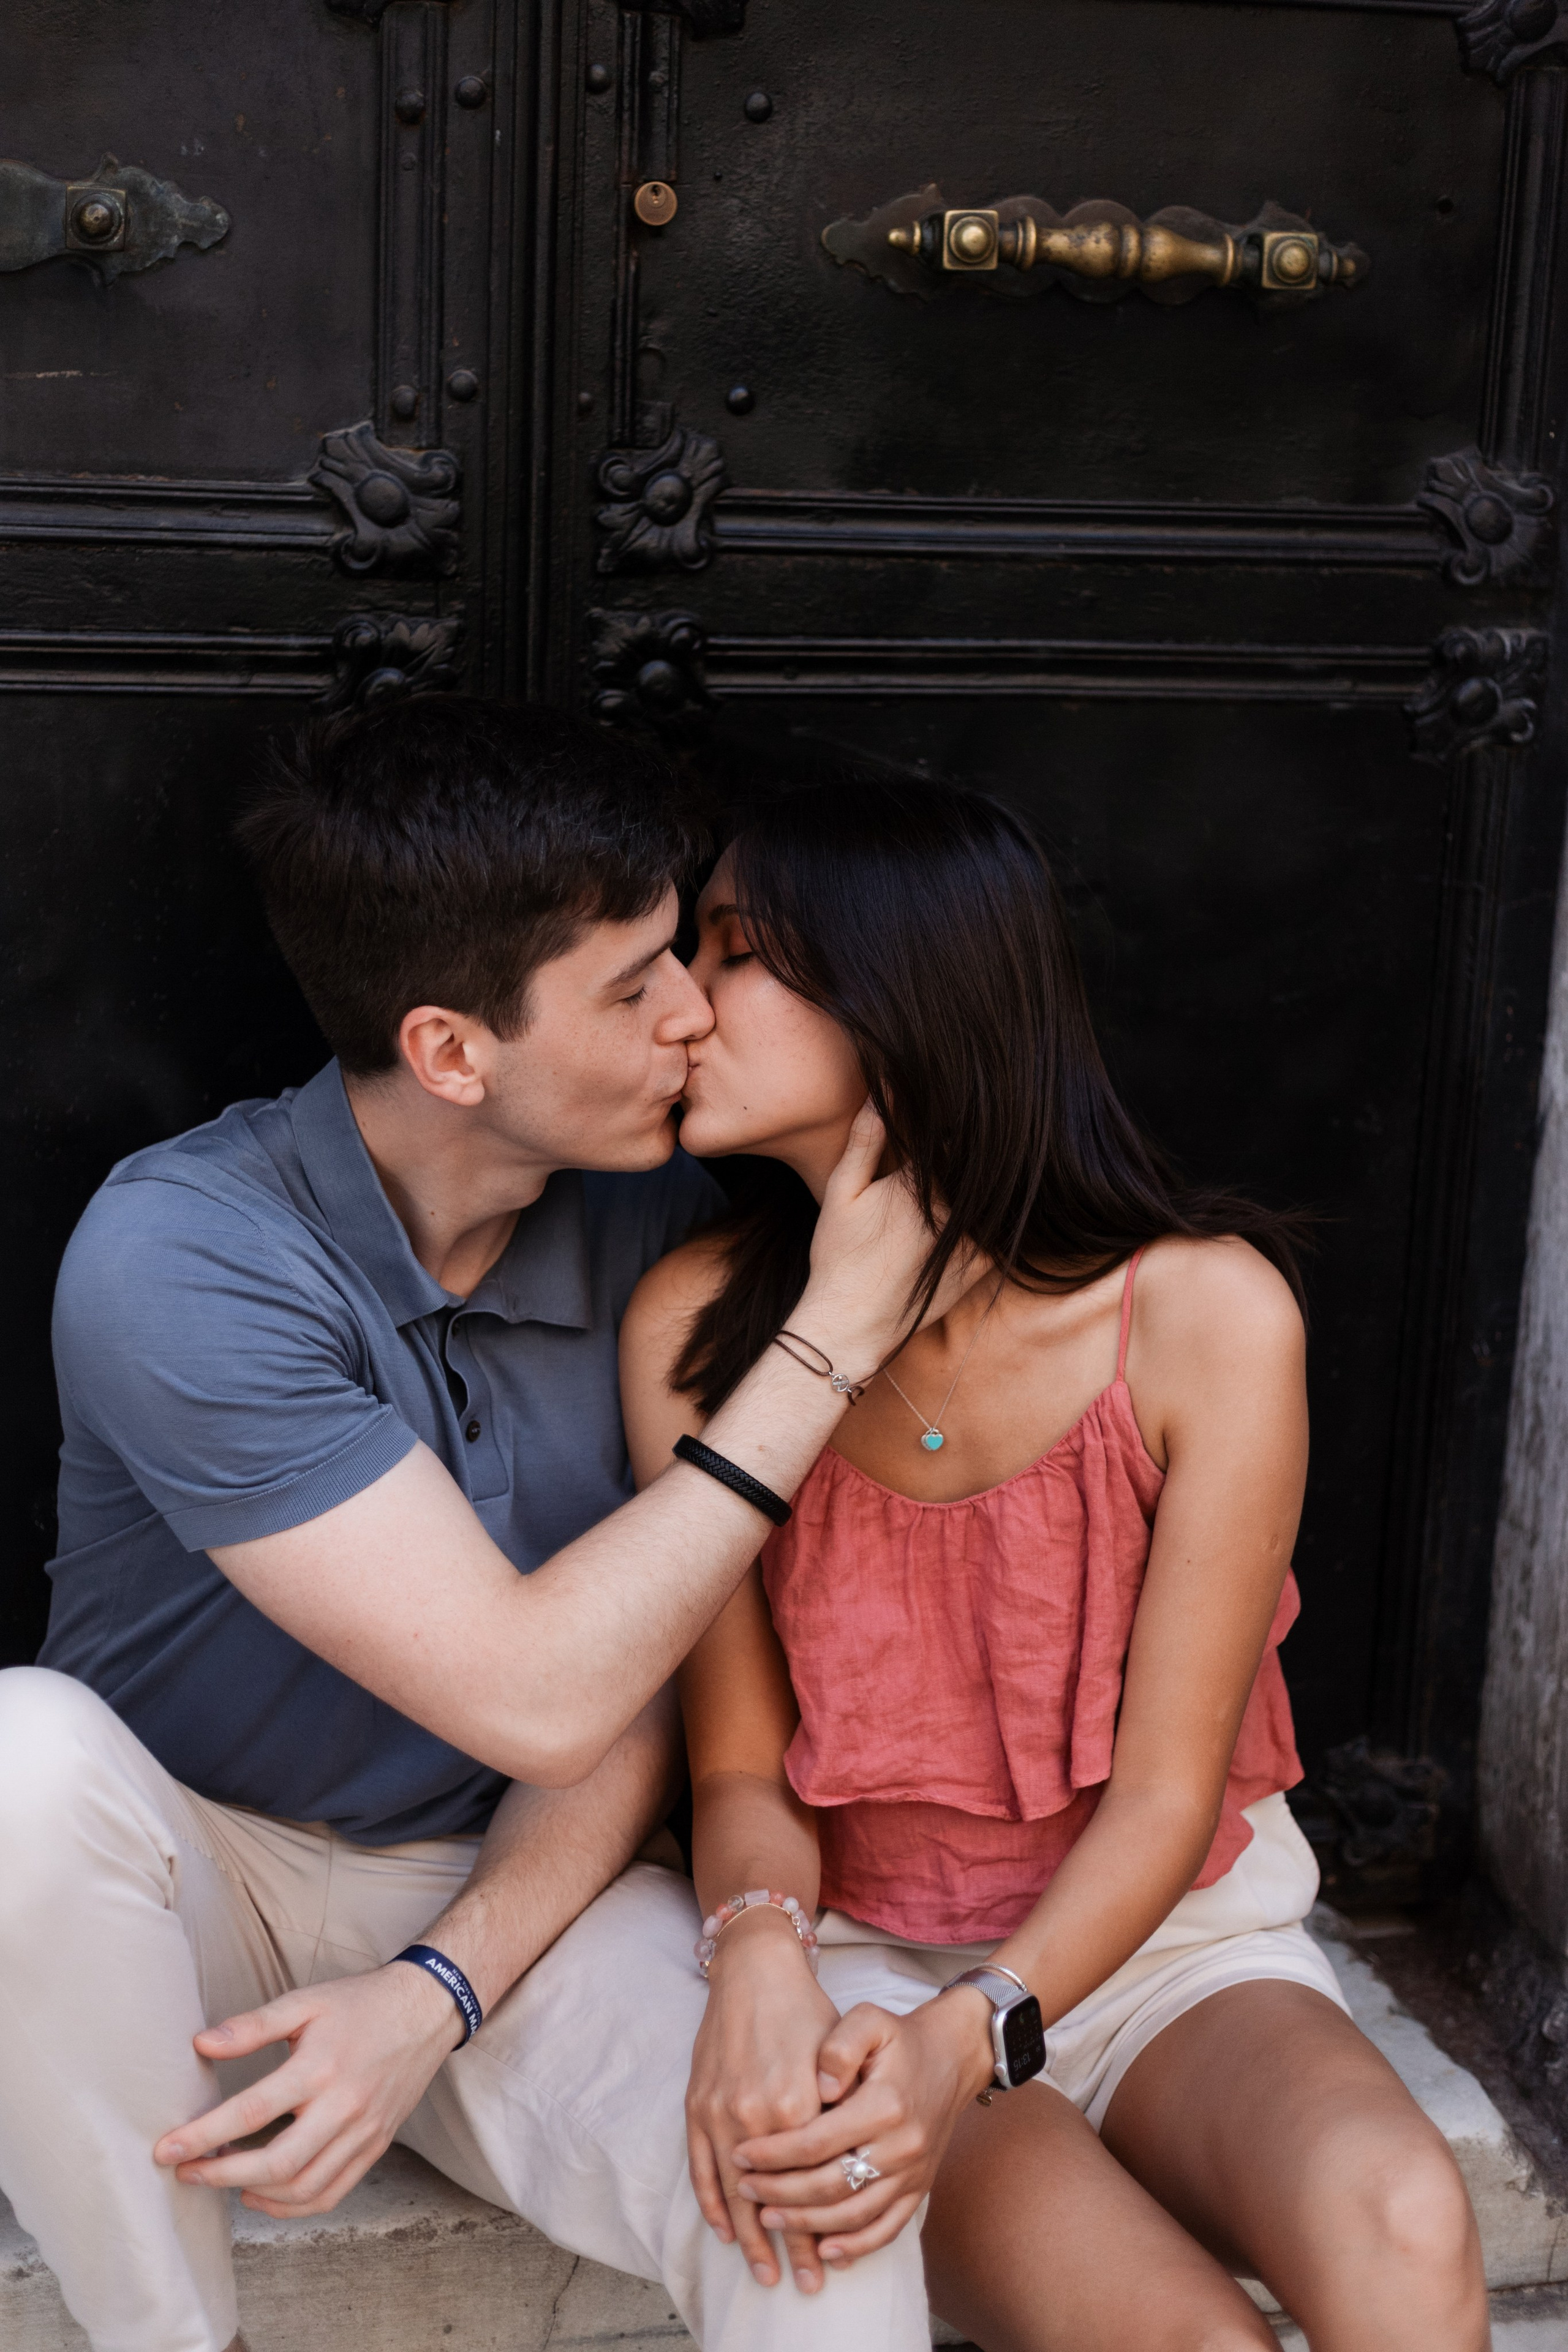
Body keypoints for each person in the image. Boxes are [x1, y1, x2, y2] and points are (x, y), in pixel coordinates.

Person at [0, 701, 946, 2352]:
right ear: (451, 1051)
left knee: (800, 2160)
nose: (694, 1017)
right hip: (189, 1883)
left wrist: (437, 1992)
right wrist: (825, 1347)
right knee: (15, 1766)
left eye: (691, 958)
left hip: (537, 1887)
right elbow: (534, 1690)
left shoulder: (672, 1221)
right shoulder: (181, 1257)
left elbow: (639, 1697)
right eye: (636, 983)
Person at [594, 775, 1488, 2351]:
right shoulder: (690, 1332)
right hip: (870, 1978)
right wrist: (757, 1960)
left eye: (729, 952)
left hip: (1165, 1957)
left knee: (1405, 2218)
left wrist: (987, 2023)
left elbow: (1160, 1798)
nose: (676, 1005)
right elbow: (741, 1777)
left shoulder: (1203, 1318)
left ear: (893, 992)